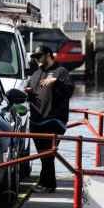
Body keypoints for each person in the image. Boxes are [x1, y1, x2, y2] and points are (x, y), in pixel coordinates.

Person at [24, 45, 74, 193]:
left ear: (48, 55)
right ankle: (44, 182)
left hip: (54, 120)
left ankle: (48, 185)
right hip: (36, 120)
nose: (37, 59)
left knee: (48, 153)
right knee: (44, 155)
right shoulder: (36, 73)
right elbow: (28, 91)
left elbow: (69, 91)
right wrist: (27, 92)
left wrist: (56, 81)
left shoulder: (61, 72)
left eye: (39, 56)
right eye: (35, 57)